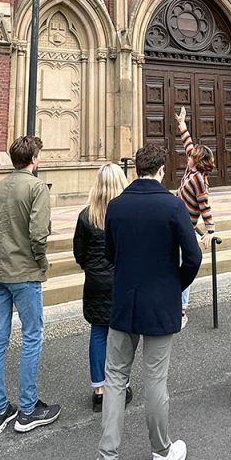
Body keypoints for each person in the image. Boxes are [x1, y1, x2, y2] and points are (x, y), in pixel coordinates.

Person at [79, 143, 202, 460]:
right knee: (155, 380)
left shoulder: (116, 207)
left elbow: (112, 254)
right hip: (160, 305)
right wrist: (175, 285)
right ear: (162, 170)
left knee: (115, 378)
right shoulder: (173, 205)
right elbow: (192, 256)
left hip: (123, 303)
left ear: (135, 169)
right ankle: (162, 453)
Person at [0, 135, 61, 435]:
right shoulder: (37, 187)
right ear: (34, 159)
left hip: (0, 273)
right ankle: (28, 409)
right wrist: (39, 261)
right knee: (31, 337)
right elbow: (39, 234)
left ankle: (0, 409)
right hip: (25, 273)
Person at [73, 162, 133, 410]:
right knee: (122, 335)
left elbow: (79, 253)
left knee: (98, 333)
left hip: (96, 282)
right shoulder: (128, 213)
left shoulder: (86, 215)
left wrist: (93, 269)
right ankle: (120, 384)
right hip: (122, 281)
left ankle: (99, 388)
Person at [174, 106, 215, 327]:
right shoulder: (192, 170)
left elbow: (205, 205)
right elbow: (188, 144)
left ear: (197, 161)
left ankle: (181, 309)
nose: (188, 156)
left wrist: (210, 232)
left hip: (186, 228)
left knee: (183, 263)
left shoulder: (200, 179)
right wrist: (182, 124)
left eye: (192, 156)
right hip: (176, 224)